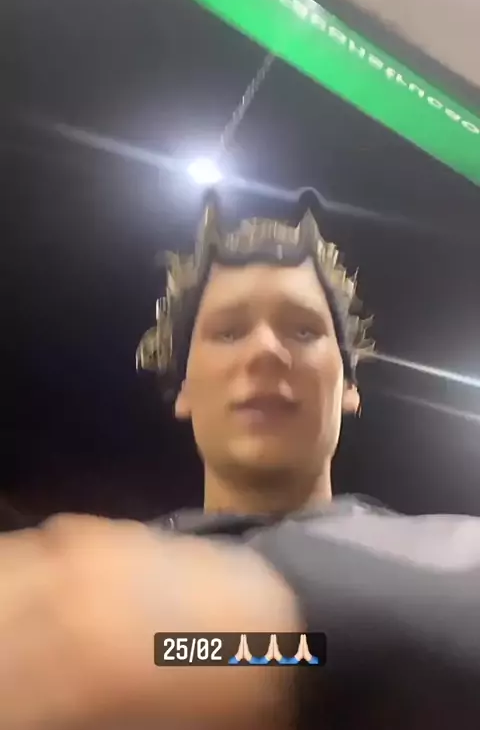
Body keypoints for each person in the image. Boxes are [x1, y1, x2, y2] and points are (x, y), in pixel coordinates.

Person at [1, 189, 479, 729]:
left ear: (348, 387)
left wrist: (219, 637)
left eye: (303, 329)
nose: (265, 351)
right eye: (228, 331)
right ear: (184, 389)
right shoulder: (83, 580)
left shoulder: (455, 556)